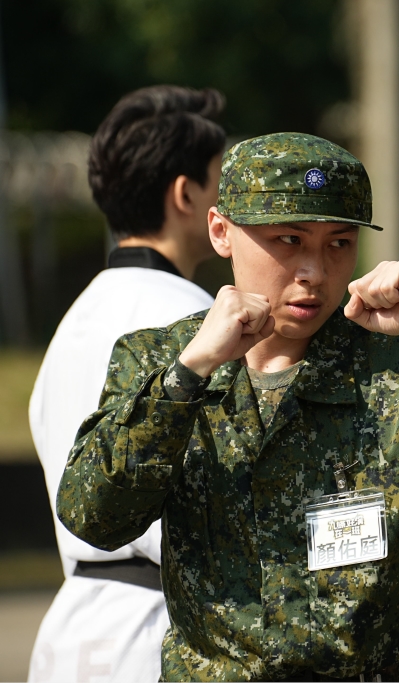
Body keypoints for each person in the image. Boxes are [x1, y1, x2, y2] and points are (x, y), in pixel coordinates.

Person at [55, 132, 399, 681]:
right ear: (221, 231)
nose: (314, 272)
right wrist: (188, 375)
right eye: (289, 239)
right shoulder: (161, 360)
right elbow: (94, 516)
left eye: (339, 244)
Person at [27, 85, 225, 683]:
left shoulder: (74, 319)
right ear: (186, 194)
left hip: (71, 632)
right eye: (222, 182)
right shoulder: (197, 324)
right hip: (166, 634)